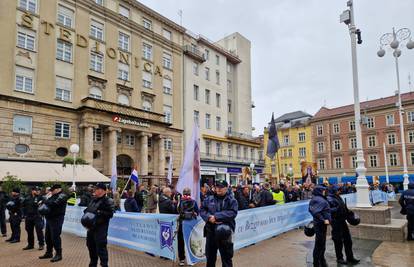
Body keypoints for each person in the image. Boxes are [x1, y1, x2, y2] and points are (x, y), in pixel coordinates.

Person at [200, 180, 238, 267]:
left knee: (226, 258)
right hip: (211, 232)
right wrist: (209, 217)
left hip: (225, 233)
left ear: (226, 188)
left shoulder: (232, 200)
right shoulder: (209, 199)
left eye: (221, 187)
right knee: (210, 258)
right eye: (217, 187)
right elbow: (202, 210)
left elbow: (233, 212)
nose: (218, 189)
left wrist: (216, 217)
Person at [327, 185, 360, 265]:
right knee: (338, 240)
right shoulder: (329, 198)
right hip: (335, 222)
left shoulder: (338, 197)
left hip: (342, 221)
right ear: (334, 190)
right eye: (338, 190)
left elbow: (343, 207)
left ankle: (350, 257)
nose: (339, 191)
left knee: (348, 240)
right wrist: (336, 209)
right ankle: (340, 258)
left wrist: (349, 213)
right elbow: (328, 210)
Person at [84, 183, 115, 267]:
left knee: (101, 248)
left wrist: (98, 212)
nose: (95, 190)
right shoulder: (93, 199)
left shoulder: (108, 200)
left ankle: (104, 265)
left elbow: (110, 214)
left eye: (97, 189)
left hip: (101, 228)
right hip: (91, 227)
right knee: (90, 246)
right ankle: (93, 264)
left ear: (102, 190)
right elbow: (87, 209)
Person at [39, 184, 67, 262]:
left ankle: (58, 254)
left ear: (58, 189)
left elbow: (54, 203)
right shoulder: (53, 196)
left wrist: (45, 200)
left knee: (55, 237)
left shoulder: (62, 196)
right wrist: (46, 200)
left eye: (53, 190)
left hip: (57, 219)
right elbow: (48, 203)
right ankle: (49, 252)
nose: (51, 191)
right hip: (49, 218)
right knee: (48, 237)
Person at [308, 185, 331, 267]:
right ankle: (317, 263)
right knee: (319, 245)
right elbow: (315, 212)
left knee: (321, 244)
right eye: (324, 191)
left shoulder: (318, 199)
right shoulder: (319, 200)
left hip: (321, 225)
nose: (325, 192)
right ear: (320, 191)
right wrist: (323, 219)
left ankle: (321, 261)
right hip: (320, 225)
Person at [177, 187, 199, 266]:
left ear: (183, 193)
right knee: (190, 241)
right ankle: (191, 259)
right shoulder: (193, 201)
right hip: (190, 224)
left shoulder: (180, 201)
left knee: (181, 242)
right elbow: (198, 212)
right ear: (190, 193)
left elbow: (177, 211)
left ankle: (182, 259)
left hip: (182, 223)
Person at [22, 186, 45, 250]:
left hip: (37, 216)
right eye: (36, 190)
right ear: (32, 191)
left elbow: (44, 203)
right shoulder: (27, 198)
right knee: (29, 231)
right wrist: (24, 214)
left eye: (38, 190)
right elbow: (23, 205)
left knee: (39, 231)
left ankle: (41, 244)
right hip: (29, 216)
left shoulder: (41, 197)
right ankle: (30, 244)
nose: (38, 191)